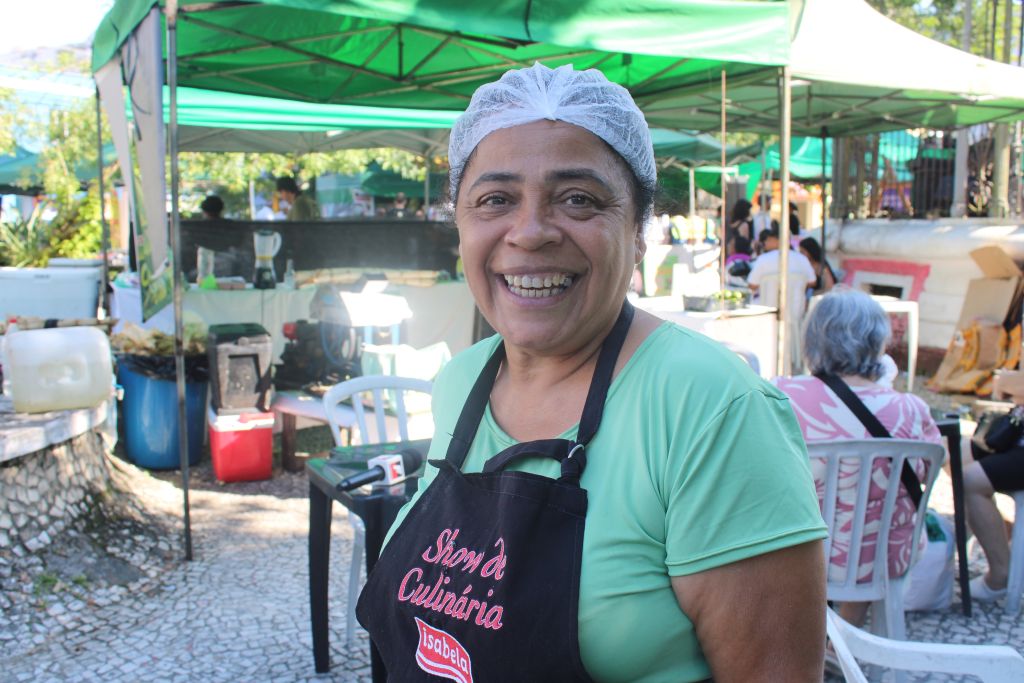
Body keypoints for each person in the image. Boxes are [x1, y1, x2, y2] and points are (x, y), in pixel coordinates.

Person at [355, 63, 827, 682]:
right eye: (495, 199)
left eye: (578, 199)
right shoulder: (462, 381)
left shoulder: (710, 407)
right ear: (461, 225)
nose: (529, 232)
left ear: (638, 233)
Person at [772, 287, 942, 627]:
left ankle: (814, 639)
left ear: (814, 339)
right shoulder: (911, 409)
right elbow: (930, 468)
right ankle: (848, 632)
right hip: (883, 557)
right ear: (877, 342)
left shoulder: (781, 395)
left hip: (796, 554)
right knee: (869, 527)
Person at [964, 371, 1024, 601]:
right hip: (1015, 433)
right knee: (954, 451)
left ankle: (1001, 574)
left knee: (972, 478)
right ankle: (997, 532)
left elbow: (1008, 384)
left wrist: (1009, 383)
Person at [747, 227, 816, 296]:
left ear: (777, 240)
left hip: (767, 304)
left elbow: (752, 285)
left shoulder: (763, 259)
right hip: (796, 305)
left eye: (768, 240)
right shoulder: (802, 259)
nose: (765, 243)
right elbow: (812, 282)